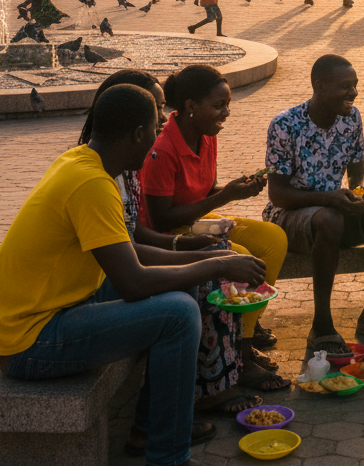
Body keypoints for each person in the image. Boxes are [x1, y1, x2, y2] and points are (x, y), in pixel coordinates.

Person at [0, 84, 266, 466]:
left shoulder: (80, 161)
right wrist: (218, 265)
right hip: (29, 341)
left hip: (57, 309)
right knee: (179, 315)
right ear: (137, 134)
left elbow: (125, 252)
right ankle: (169, 456)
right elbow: (133, 282)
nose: (156, 140)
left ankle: (150, 425)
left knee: (190, 282)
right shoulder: (92, 184)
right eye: (154, 129)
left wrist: (194, 256)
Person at [77, 71, 261, 442]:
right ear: (135, 128)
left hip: (110, 272)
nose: (165, 119)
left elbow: (131, 236)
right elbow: (131, 273)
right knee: (186, 298)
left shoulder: (119, 168)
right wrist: (208, 261)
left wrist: (189, 249)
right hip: (80, 297)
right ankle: (189, 403)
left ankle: (216, 378)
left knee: (207, 269)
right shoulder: (94, 178)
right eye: (157, 111)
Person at [140, 65, 289, 389]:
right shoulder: (162, 149)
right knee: (242, 255)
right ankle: (241, 356)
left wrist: (236, 189)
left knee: (273, 238)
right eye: (219, 105)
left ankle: (246, 336)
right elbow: (162, 218)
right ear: (191, 106)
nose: (226, 112)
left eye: (228, 103)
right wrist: (224, 197)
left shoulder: (205, 135)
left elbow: (203, 190)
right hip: (169, 237)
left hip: (197, 224)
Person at [261, 55, 364, 355]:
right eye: (345, 86)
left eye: (355, 85)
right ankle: (322, 325)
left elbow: (359, 172)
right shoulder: (285, 125)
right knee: (329, 219)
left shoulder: (351, 119)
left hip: (336, 212)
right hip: (289, 217)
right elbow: (278, 194)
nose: (353, 93)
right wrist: (329, 198)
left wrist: (360, 192)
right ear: (320, 86)